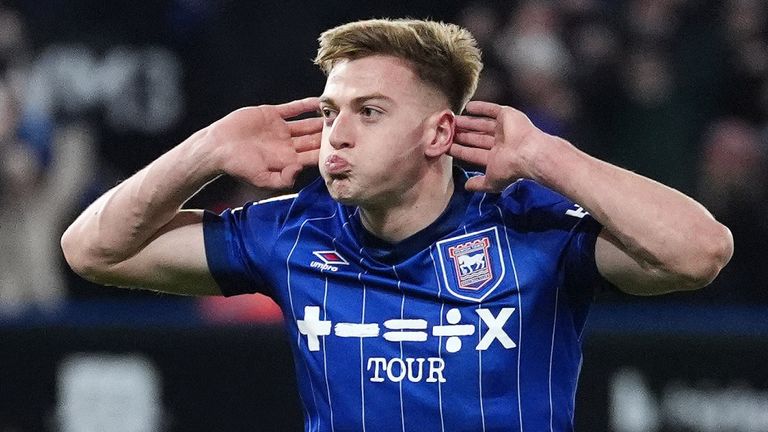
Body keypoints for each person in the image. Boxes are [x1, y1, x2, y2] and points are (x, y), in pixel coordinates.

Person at [61, 18, 733, 431]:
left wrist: (546, 157)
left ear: (440, 132)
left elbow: (700, 251)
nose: (337, 135)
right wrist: (205, 149)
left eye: (370, 112)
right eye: (330, 112)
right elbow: (92, 251)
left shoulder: (534, 232)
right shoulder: (292, 233)